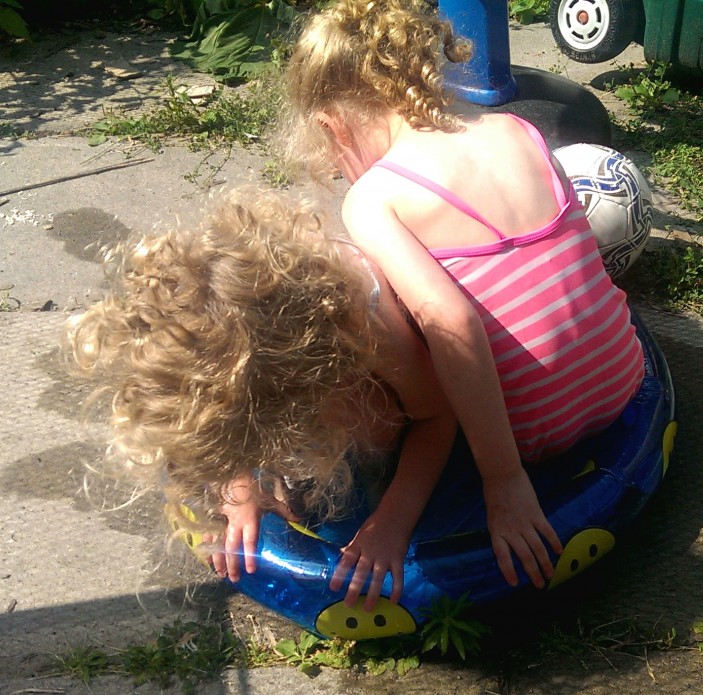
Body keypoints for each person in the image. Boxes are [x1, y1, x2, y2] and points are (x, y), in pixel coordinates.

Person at [278, 0, 645, 595]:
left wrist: (501, 480)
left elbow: (451, 320)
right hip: (620, 376)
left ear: (331, 124)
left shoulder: (375, 198)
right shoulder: (517, 129)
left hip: (529, 433)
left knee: (374, 301)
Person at [67, 187, 457, 612]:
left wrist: (391, 524)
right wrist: (239, 490)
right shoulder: (210, 322)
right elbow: (226, 395)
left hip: (384, 391)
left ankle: (370, 470)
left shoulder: (362, 318)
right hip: (287, 371)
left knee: (358, 432)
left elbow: (438, 416)